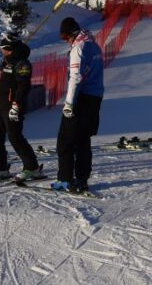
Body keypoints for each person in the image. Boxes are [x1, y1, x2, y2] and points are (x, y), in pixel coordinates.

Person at [53, 17, 104, 194]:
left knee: (65, 140)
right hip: (94, 97)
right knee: (83, 140)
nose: (66, 41)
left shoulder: (79, 48)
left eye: (65, 37)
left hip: (80, 99)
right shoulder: (94, 45)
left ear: (71, 34)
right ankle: (82, 179)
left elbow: (76, 77)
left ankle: (65, 179)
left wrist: (69, 103)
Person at [0, 34, 41, 181]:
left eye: (4, 49)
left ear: (11, 49)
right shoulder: (4, 62)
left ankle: (32, 168)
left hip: (11, 107)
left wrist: (16, 105)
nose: (2, 51)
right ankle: (0, 168)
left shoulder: (21, 63)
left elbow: (23, 87)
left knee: (15, 137)